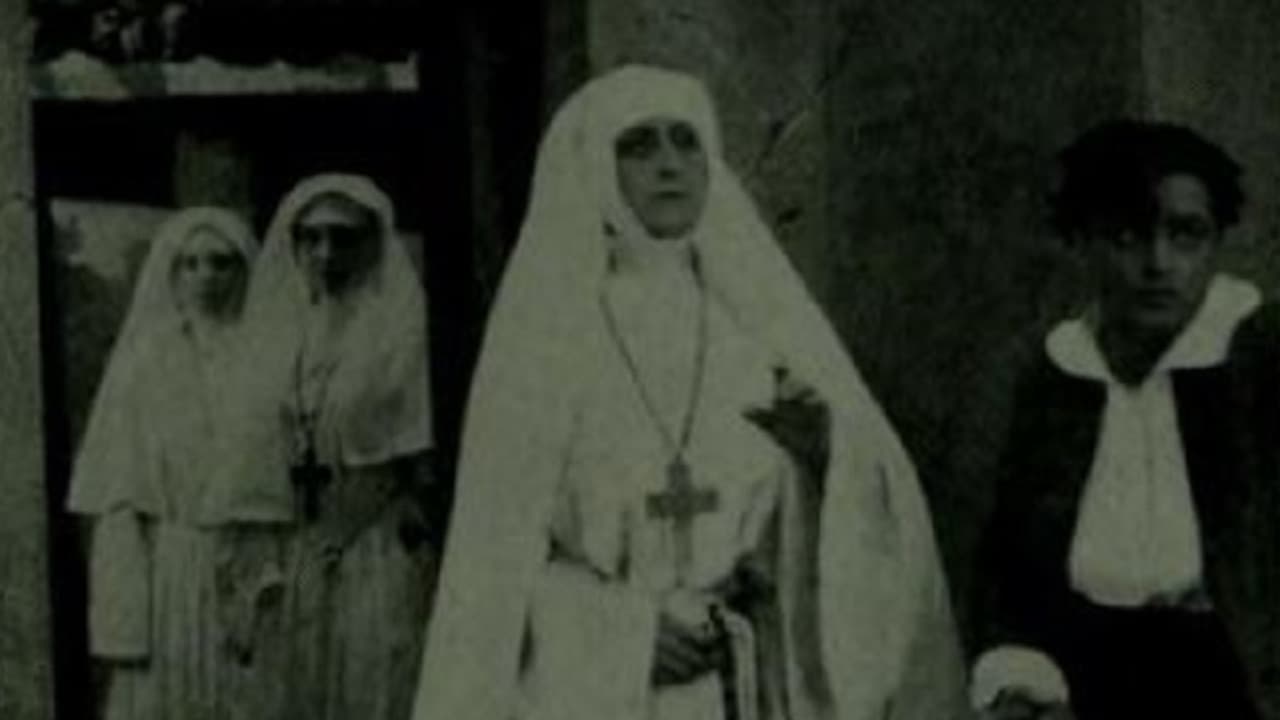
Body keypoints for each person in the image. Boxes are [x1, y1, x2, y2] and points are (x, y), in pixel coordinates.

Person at [411, 65, 966, 720]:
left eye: (686, 140)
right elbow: (494, 575)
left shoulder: (757, 328)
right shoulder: (549, 340)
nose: (669, 164)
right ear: (597, 167)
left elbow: (839, 524)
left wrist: (824, 459)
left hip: (744, 679)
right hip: (594, 694)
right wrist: (622, 636)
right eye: (639, 145)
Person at [969, 121, 1280, 720]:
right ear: (1083, 242)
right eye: (1127, 237)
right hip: (1085, 682)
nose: (1158, 263)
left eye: (1185, 235)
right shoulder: (1055, 378)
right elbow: (1006, 565)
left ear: (1216, 242)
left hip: (1233, 684)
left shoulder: (1259, 363)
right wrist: (1020, 679)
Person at [219, 173, 436, 720]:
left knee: (369, 681)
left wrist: (350, 527)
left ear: (371, 243)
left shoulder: (396, 329)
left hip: (369, 541)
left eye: (343, 237)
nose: (325, 253)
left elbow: (410, 455)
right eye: (311, 237)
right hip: (294, 543)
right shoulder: (276, 335)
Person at [65, 207, 257, 720]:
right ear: (172, 273)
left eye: (220, 263)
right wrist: (126, 615)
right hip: (173, 569)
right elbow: (119, 493)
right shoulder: (145, 362)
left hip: (252, 562)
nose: (205, 276)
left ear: (243, 269)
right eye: (190, 264)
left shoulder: (268, 356)